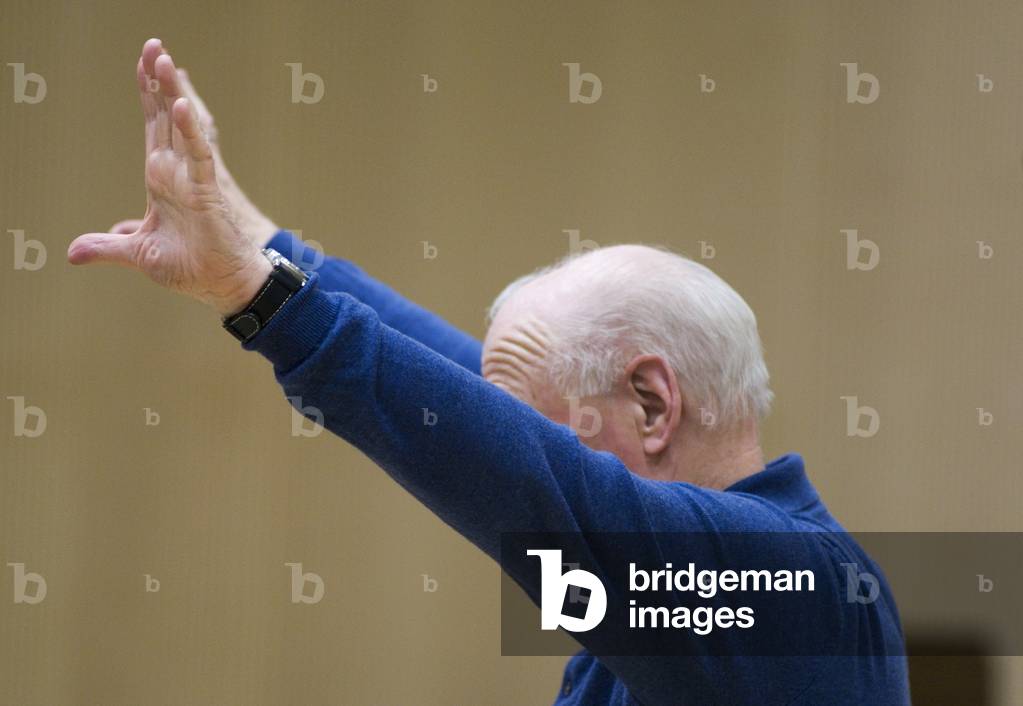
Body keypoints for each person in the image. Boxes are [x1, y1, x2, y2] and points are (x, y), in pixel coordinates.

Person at [68, 38, 911, 706]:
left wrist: (262, 296)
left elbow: (519, 468)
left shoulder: (788, 589)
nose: (514, 447)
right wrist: (255, 243)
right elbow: (471, 404)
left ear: (653, 403)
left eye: (535, 428)